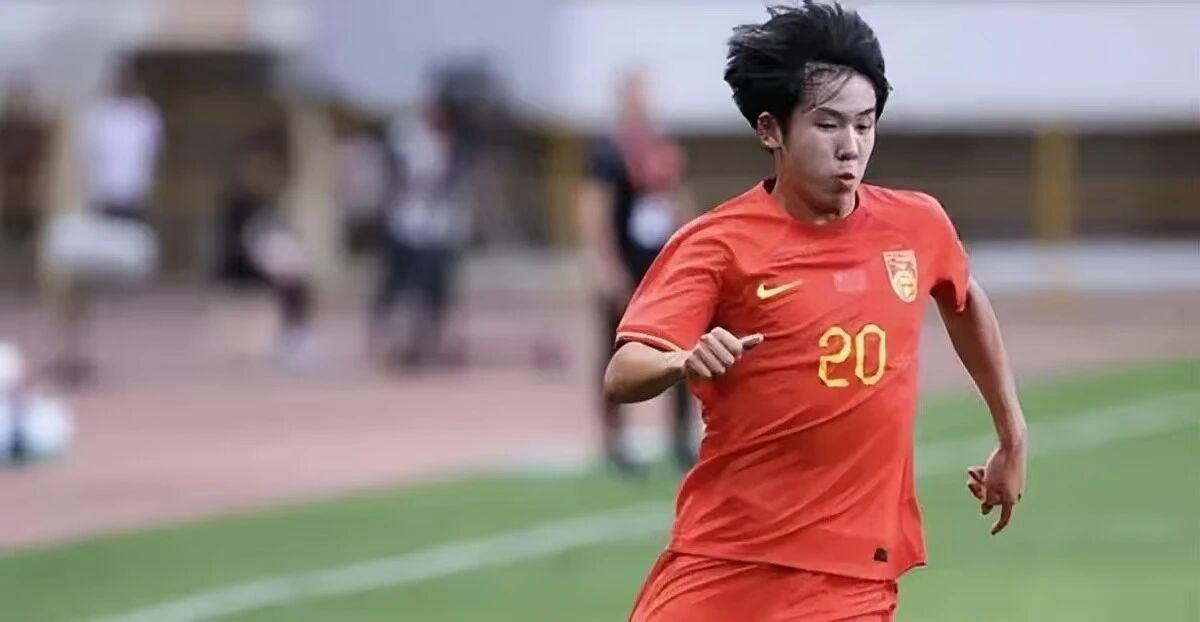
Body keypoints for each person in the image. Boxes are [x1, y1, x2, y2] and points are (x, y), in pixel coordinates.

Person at [605, 4, 1029, 620]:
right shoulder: (718, 243)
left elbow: (963, 300)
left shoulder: (917, 225)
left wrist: (1012, 436)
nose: (850, 147)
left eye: (865, 124)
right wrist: (681, 360)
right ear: (770, 130)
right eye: (828, 125)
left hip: (850, 579)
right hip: (724, 561)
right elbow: (623, 372)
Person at [578, 71, 698, 475]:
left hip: (659, 263)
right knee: (616, 351)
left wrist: (691, 249)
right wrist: (606, 266)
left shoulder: (662, 147)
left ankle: (680, 437)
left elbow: (678, 198)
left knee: (679, 347)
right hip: (625, 263)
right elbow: (595, 207)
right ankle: (616, 440)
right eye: (635, 98)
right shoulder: (607, 151)